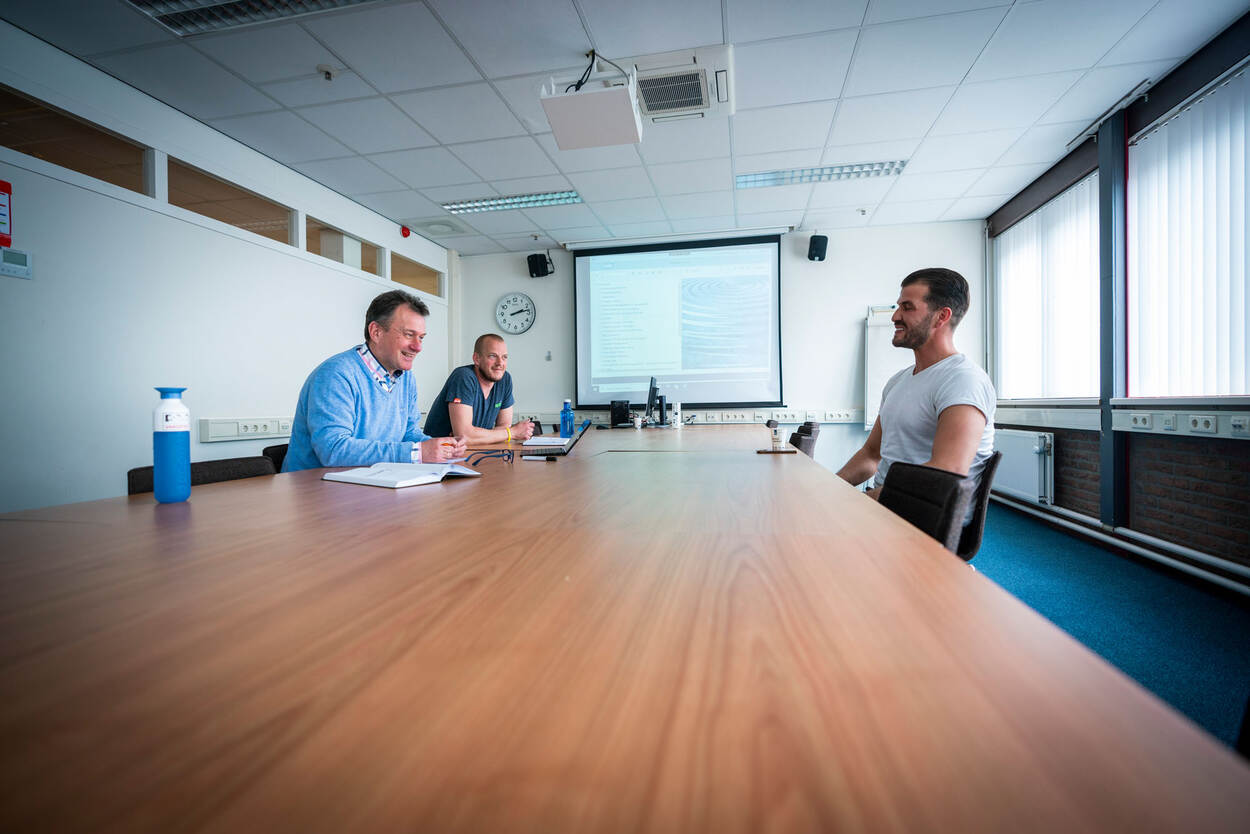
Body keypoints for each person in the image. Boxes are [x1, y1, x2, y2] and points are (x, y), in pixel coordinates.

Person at [836, 267, 995, 515]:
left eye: (907, 307)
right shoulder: (897, 382)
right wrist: (830, 489)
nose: (895, 316)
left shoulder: (964, 381)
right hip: (885, 509)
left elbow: (945, 473)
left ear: (941, 316)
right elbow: (870, 455)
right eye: (898, 306)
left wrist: (861, 503)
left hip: (923, 519)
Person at [283, 290, 466, 472]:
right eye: (409, 334)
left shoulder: (406, 378)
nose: (418, 347)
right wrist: (417, 453)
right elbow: (333, 450)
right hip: (312, 486)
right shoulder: (336, 375)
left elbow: (408, 433)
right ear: (376, 332)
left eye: (421, 338)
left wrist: (444, 447)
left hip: (370, 480)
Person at [422, 333, 535, 443]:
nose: (500, 363)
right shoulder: (463, 377)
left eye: (504, 357)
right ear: (476, 359)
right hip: (439, 452)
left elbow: (504, 426)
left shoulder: (504, 379)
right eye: (492, 356)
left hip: (475, 449)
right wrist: (512, 433)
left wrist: (475, 436)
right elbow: (464, 436)